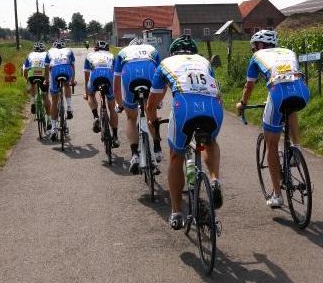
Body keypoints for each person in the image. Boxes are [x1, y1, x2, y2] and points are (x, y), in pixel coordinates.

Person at [146, 35, 224, 230]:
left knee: (175, 156)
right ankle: (214, 179)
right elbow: (217, 91)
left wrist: (152, 119)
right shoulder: (204, 62)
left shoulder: (165, 63)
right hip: (213, 107)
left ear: (173, 52)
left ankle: (176, 212)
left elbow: (153, 101)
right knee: (210, 141)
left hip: (185, 108)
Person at [236, 30, 310, 208]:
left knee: (271, 144)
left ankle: (277, 195)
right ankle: (296, 147)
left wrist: (242, 103)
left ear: (260, 45)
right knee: (291, 108)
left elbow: (249, 85)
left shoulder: (257, 56)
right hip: (302, 92)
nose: (254, 50)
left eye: (254, 46)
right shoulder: (289, 52)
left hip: (277, 94)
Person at [113, 38, 162, 174]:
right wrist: (158, 100)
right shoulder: (152, 50)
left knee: (131, 118)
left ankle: (135, 154)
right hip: (150, 72)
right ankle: (157, 148)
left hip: (130, 74)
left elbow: (116, 83)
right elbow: (162, 76)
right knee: (151, 112)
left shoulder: (123, 52)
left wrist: (119, 103)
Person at [84, 40, 119, 148]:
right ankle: (115, 136)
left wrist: (87, 92)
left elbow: (86, 75)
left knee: (90, 95)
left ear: (95, 49)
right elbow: (116, 74)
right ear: (107, 49)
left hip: (95, 78)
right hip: (108, 79)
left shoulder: (90, 56)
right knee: (112, 109)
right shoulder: (112, 56)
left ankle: (95, 117)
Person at [44, 39, 77, 141]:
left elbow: (46, 68)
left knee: (54, 101)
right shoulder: (69, 50)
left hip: (55, 71)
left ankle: (54, 129)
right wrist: (72, 80)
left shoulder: (49, 52)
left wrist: (47, 81)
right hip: (67, 70)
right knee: (67, 85)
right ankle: (69, 107)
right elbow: (72, 66)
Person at [23, 42, 50, 119]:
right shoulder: (46, 54)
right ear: (43, 49)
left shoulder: (30, 55)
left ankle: (33, 102)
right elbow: (49, 68)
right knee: (45, 96)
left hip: (32, 73)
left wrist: (27, 80)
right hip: (43, 73)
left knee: (32, 85)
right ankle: (48, 120)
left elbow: (25, 70)